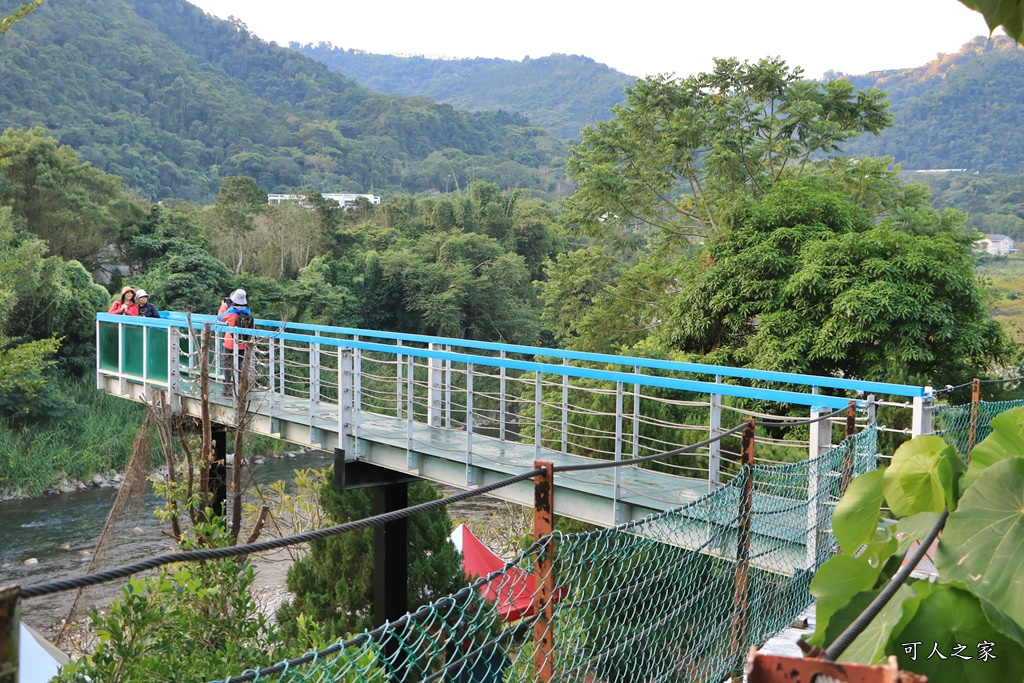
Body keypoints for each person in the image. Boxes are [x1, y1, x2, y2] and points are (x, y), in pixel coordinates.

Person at [218, 289, 252, 396]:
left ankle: (227, 388)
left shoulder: (231, 311)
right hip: (243, 344)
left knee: (227, 365)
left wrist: (223, 306)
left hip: (230, 343)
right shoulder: (247, 311)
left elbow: (220, 318)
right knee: (240, 366)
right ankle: (241, 388)